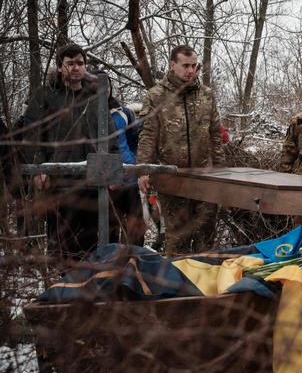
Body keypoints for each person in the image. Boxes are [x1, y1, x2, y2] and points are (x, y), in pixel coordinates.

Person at [22, 43, 118, 258]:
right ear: (60, 67)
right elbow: (32, 135)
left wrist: (113, 171)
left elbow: (110, 136)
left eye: (80, 63)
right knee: (63, 243)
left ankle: (95, 285)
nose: (76, 68)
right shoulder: (46, 95)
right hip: (60, 180)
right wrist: (39, 168)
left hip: (94, 179)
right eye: (70, 63)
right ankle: (65, 285)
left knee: (96, 242)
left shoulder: (95, 97)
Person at [136, 44, 225, 255]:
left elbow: (215, 134)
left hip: (205, 177)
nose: (191, 71)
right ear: (172, 65)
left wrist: (222, 170)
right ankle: (177, 284)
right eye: (185, 65)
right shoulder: (156, 95)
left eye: (194, 66)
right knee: (177, 238)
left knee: (206, 237)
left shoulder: (206, 95)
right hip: (172, 178)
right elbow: (148, 135)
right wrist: (142, 170)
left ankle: (205, 283)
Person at [95, 70, 146, 247]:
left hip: (129, 176)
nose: (105, 89)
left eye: (107, 85)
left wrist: (133, 162)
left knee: (136, 225)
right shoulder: (87, 114)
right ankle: (111, 266)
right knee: (110, 227)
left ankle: (136, 263)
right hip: (104, 179)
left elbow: (134, 140)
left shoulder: (124, 112)